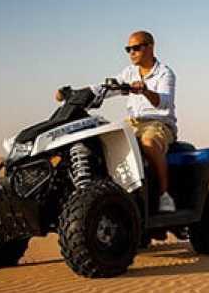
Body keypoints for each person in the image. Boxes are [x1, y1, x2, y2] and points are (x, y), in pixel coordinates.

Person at [56, 30, 177, 212]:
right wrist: (73, 94)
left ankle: (164, 195)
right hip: (133, 122)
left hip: (158, 123)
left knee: (148, 142)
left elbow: (164, 102)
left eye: (136, 48)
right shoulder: (129, 72)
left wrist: (145, 91)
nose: (131, 53)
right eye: (128, 49)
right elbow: (106, 88)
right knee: (103, 140)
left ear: (150, 47)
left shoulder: (164, 73)